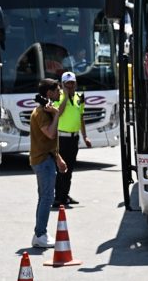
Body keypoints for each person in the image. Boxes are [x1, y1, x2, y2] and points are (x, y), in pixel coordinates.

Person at [29, 78, 68, 248]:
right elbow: (50, 135)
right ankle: (40, 234)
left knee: (44, 197)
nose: (59, 92)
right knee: (47, 197)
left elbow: (50, 143)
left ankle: (40, 232)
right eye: (57, 89)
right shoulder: (41, 113)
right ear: (49, 93)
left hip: (48, 158)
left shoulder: (48, 110)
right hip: (43, 161)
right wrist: (56, 114)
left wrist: (58, 158)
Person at [52, 71, 92, 208]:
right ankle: (58, 197)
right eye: (67, 83)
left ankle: (65, 195)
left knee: (69, 168)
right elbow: (59, 113)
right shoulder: (59, 97)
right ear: (62, 84)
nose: (70, 85)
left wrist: (85, 136)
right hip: (61, 138)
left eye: (72, 83)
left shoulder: (80, 97)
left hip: (74, 138)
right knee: (61, 168)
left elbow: (81, 117)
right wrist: (64, 96)